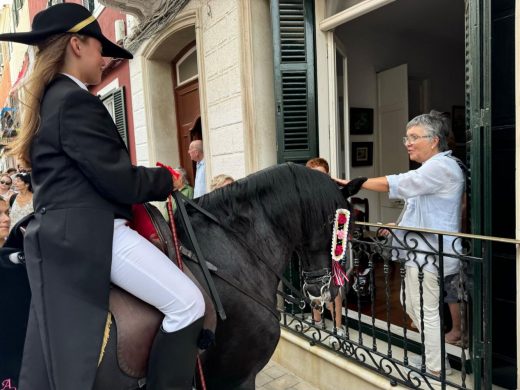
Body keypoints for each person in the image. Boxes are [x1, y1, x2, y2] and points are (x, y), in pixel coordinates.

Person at [0, 4, 205, 389]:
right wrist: (167, 179)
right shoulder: (74, 100)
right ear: (77, 45)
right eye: (99, 48)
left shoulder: (53, 100)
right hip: (93, 233)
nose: (104, 57)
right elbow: (119, 181)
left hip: (68, 233)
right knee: (189, 303)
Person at [338, 113, 464, 375]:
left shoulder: (441, 167)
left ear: (434, 141)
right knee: (410, 303)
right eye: (407, 137)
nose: (408, 142)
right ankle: (437, 357)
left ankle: (437, 368)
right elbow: (424, 211)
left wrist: (355, 184)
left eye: (414, 137)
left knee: (425, 309)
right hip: (420, 254)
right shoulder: (431, 168)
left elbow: (402, 183)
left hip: (431, 255)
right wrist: (398, 227)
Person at [305, 158, 344, 333]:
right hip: (312, 249)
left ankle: (338, 326)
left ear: (327, 174)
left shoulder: (336, 193)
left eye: (321, 174)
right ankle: (317, 321)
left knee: (334, 289)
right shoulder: (305, 195)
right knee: (313, 286)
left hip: (332, 248)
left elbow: (342, 218)